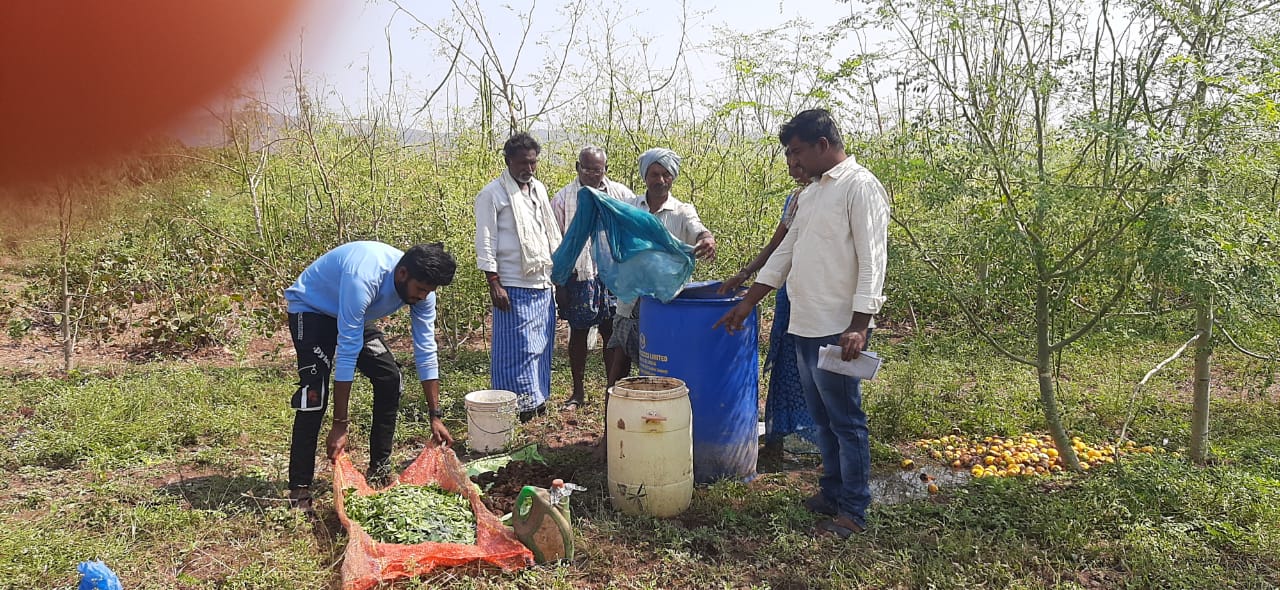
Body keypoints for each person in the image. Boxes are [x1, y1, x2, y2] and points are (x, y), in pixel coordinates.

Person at [715, 109, 889, 538]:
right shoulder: (809, 195)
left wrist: (859, 324)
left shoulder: (859, 186)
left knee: (846, 420)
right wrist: (747, 303)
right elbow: (784, 254)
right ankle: (831, 491)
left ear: (822, 145)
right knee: (823, 418)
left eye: (797, 152)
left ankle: (853, 511)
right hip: (805, 324)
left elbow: (873, 259)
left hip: (839, 329)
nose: (794, 161)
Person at [284, 241, 457, 513]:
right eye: (420, 289)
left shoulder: (423, 292)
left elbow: (426, 349)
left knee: (390, 378)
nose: (423, 296)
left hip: (354, 315)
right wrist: (340, 425)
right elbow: (348, 350)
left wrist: (435, 415)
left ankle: (379, 470)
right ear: (402, 274)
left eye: (429, 291)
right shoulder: (364, 276)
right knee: (314, 394)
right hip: (312, 309)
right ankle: (300, 488)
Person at [719, 156, 815, 461]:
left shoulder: (839, 194)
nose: (795, 172)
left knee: (820, 369)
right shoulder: (796, 201)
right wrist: (746, 273)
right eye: (791, 167)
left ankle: (824, 443)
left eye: (799, 164)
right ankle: (778, 441)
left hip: (823, 297)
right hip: (791, 292)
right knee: (787, 361)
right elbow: (778, 247)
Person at [606, 147, 716, 389]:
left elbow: (697, 228)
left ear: (673, 177)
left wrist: (706, 238)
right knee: (618, 368)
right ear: (645, 176)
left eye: (666, 175)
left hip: (666, 307)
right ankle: (612, 414)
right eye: (655, 174)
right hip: (630, 303)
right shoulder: (630, 208)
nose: (661, 180)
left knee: (664, 368)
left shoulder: (682, 211)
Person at [475, 132, 561, 422]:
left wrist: (559, 274)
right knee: (516, 348)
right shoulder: (492, 194)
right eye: (523, 162)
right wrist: (493, 282)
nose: (529, 168)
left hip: (542, 281)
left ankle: (536, 400)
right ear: (508, 161)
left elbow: (549, 233)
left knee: (540, 346)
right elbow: (486, 240)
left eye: (533, 162)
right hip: (512, 282)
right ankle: (514, 407)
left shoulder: (538, 189)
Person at [550, 146, 637, 411]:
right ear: (577, 167)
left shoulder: (621, 195)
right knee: (578, 332)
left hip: (614, 276)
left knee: (612, 333)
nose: (591, 174)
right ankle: (578, 391)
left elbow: (634, 229)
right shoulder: (563, 198)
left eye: (597, 170)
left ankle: (614, 390)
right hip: (579, 275)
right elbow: (556, 243)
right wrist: (560, 283)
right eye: (586, 169)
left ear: (605, 170)